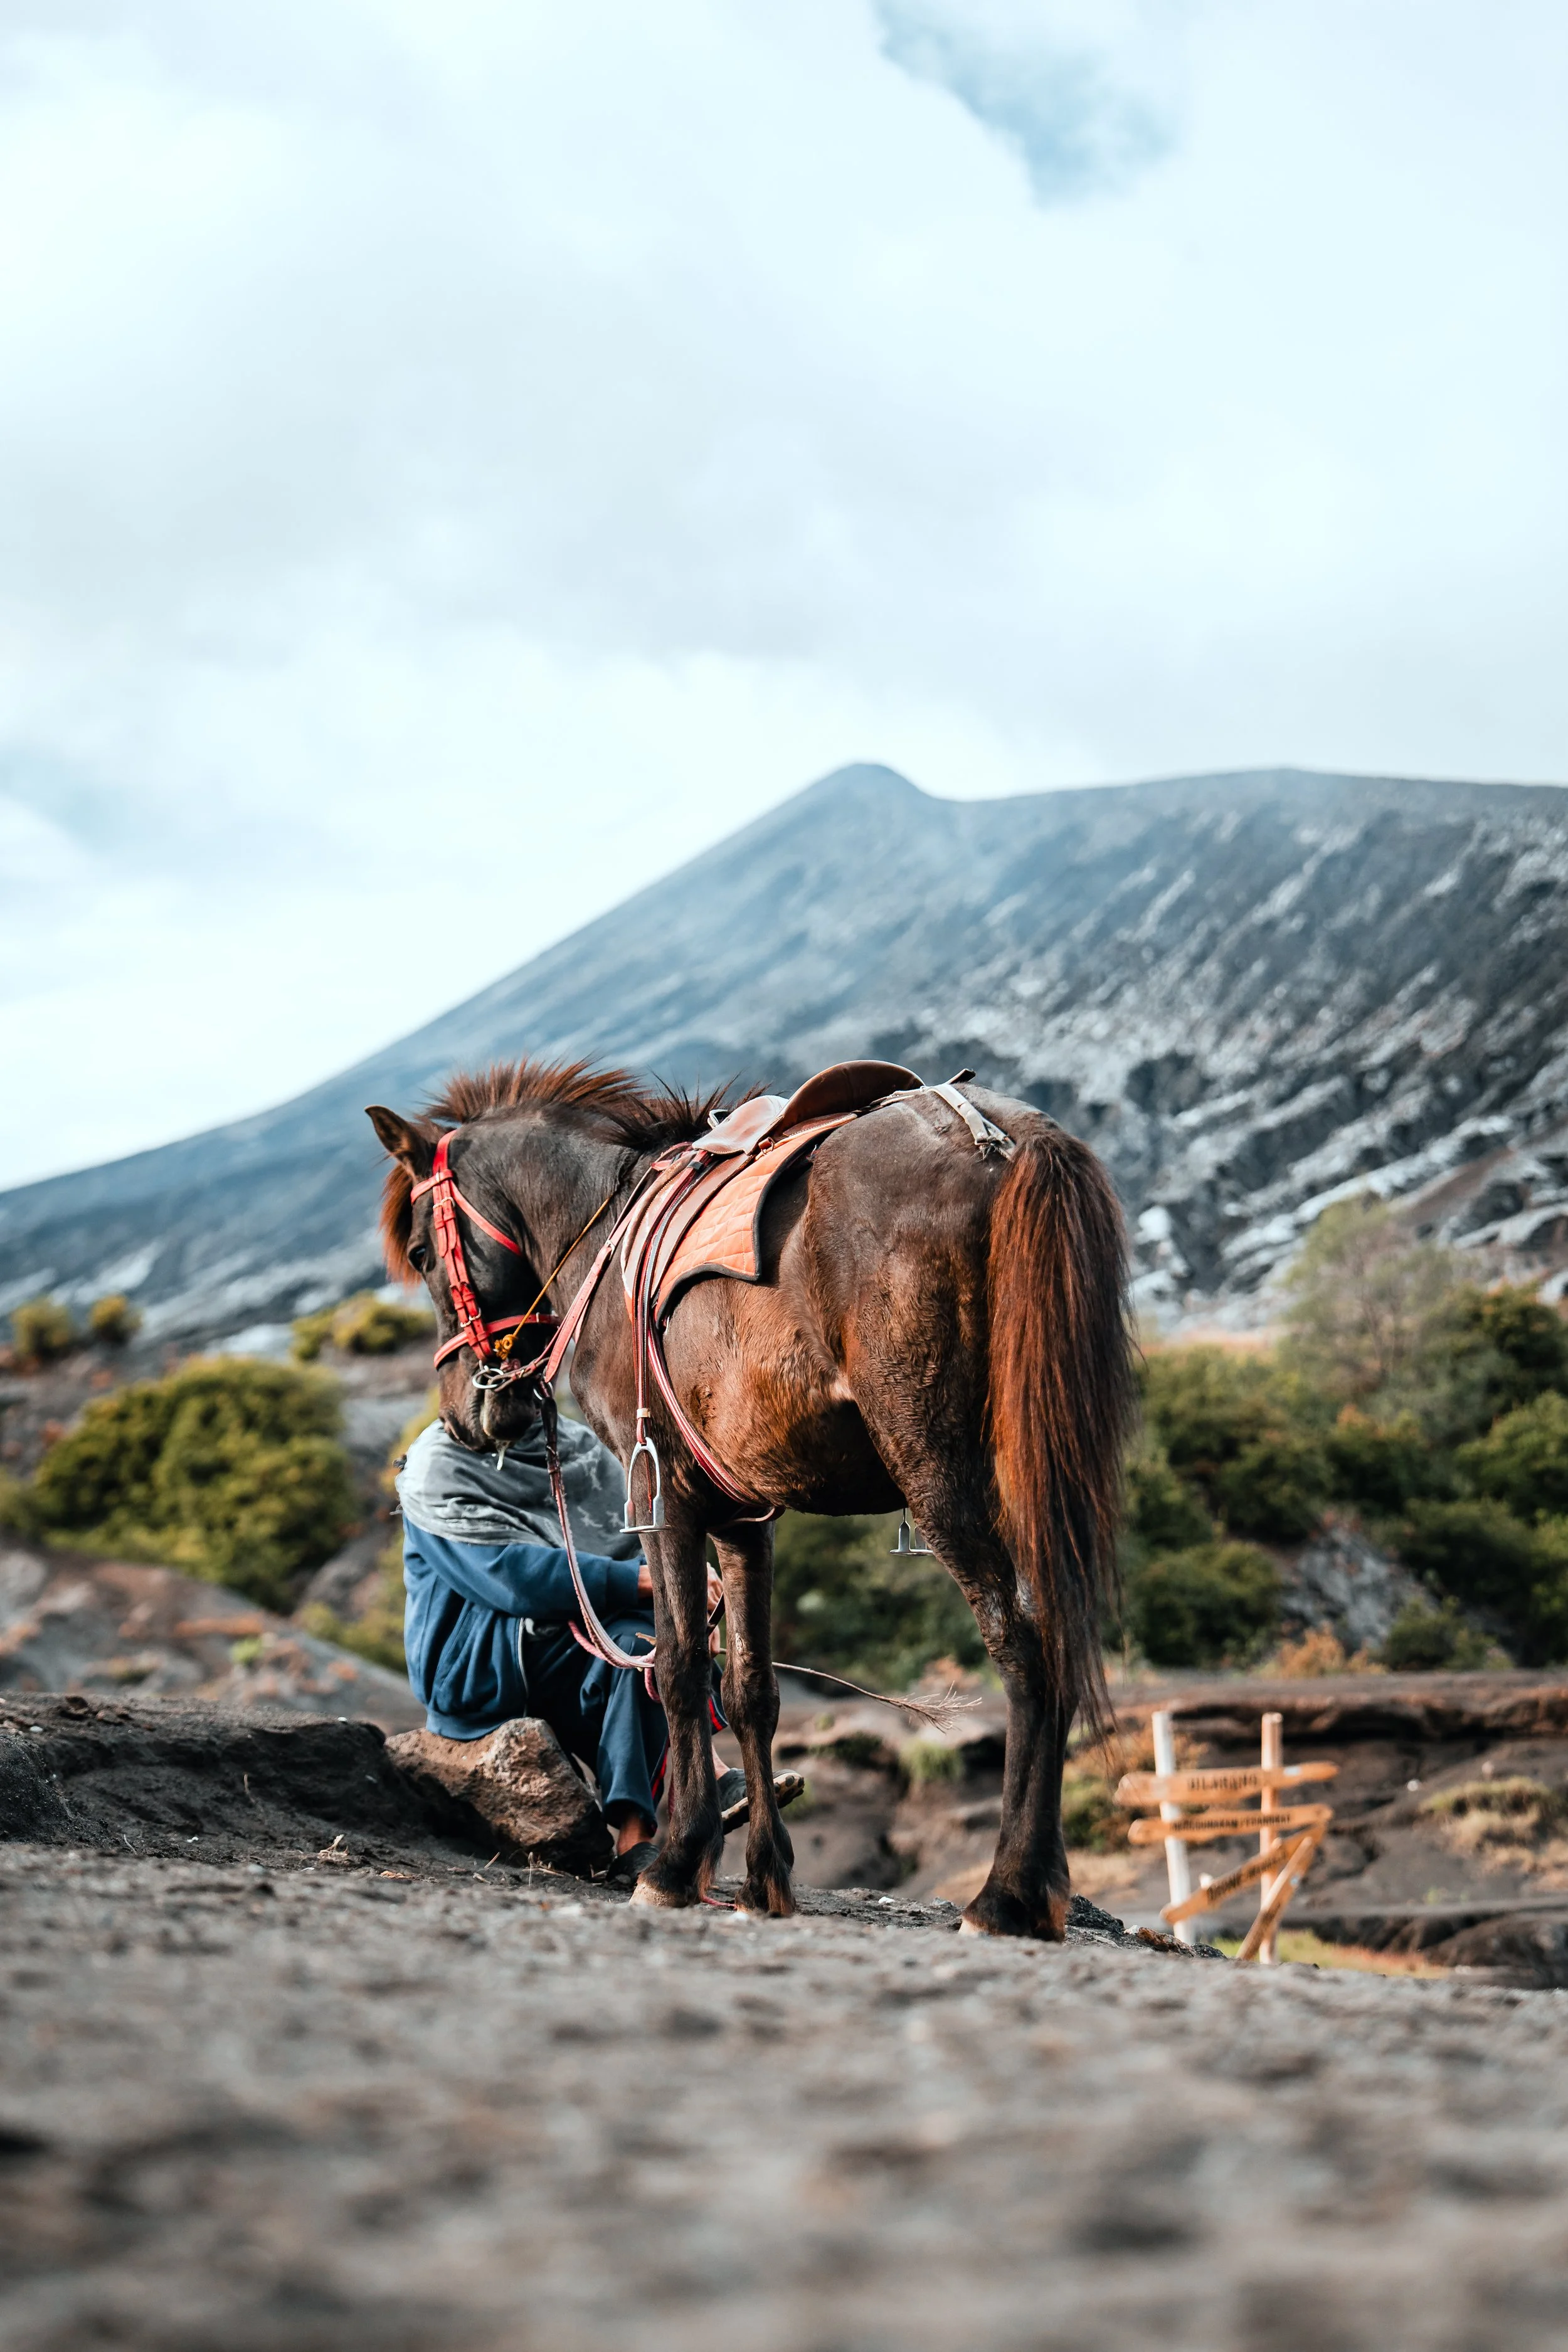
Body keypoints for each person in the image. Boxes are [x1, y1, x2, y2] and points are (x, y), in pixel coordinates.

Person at [396, 1409, 743, 1878]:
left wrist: (687, 1599)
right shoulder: (434, 1471)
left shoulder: (574, 1445)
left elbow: (632, 1544)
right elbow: (514, 1582)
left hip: (558, 1648)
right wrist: (658, 1583)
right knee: (649, 1605)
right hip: (480, 1665)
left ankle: (635, 1839)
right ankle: (703, 1774)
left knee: (645, 1645)